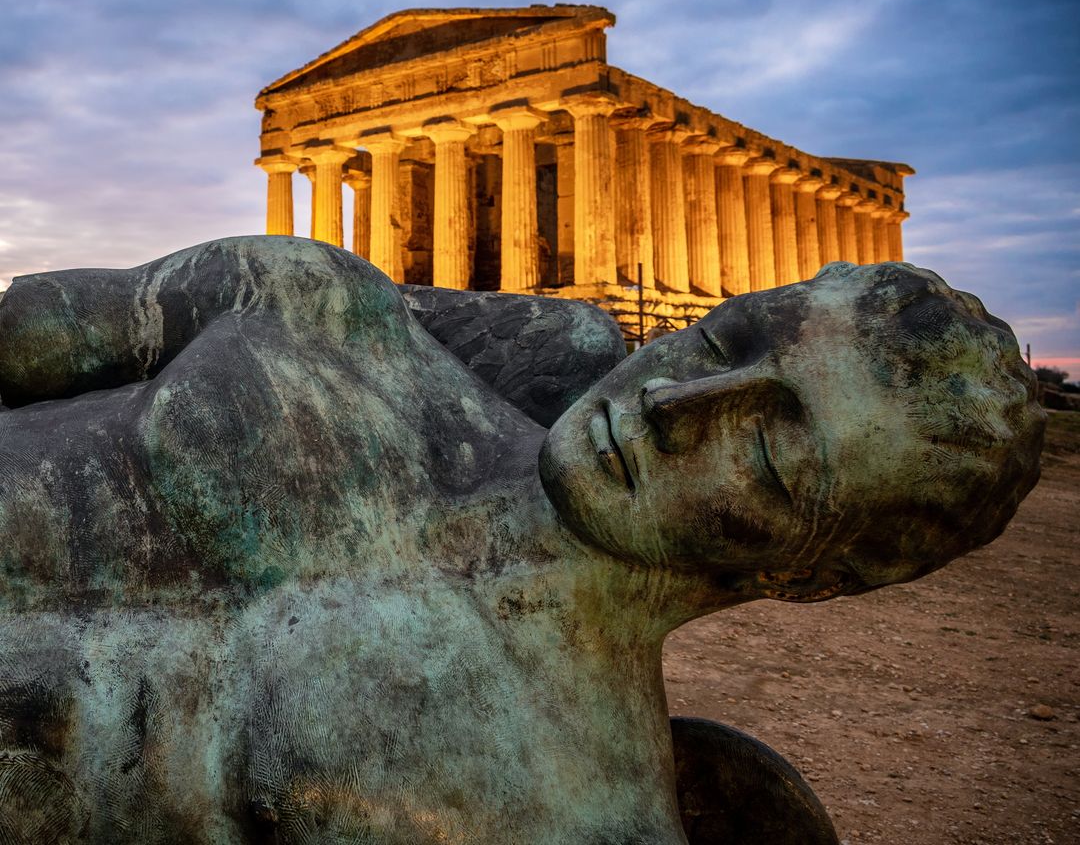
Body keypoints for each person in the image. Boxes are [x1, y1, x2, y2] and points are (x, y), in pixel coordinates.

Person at [0, 236, 1043, 844]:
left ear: (823, 574)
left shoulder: (587, 815)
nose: (678, 405)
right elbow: (38, 328)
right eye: (723, 339)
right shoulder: (331, 311)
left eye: (768, 461)